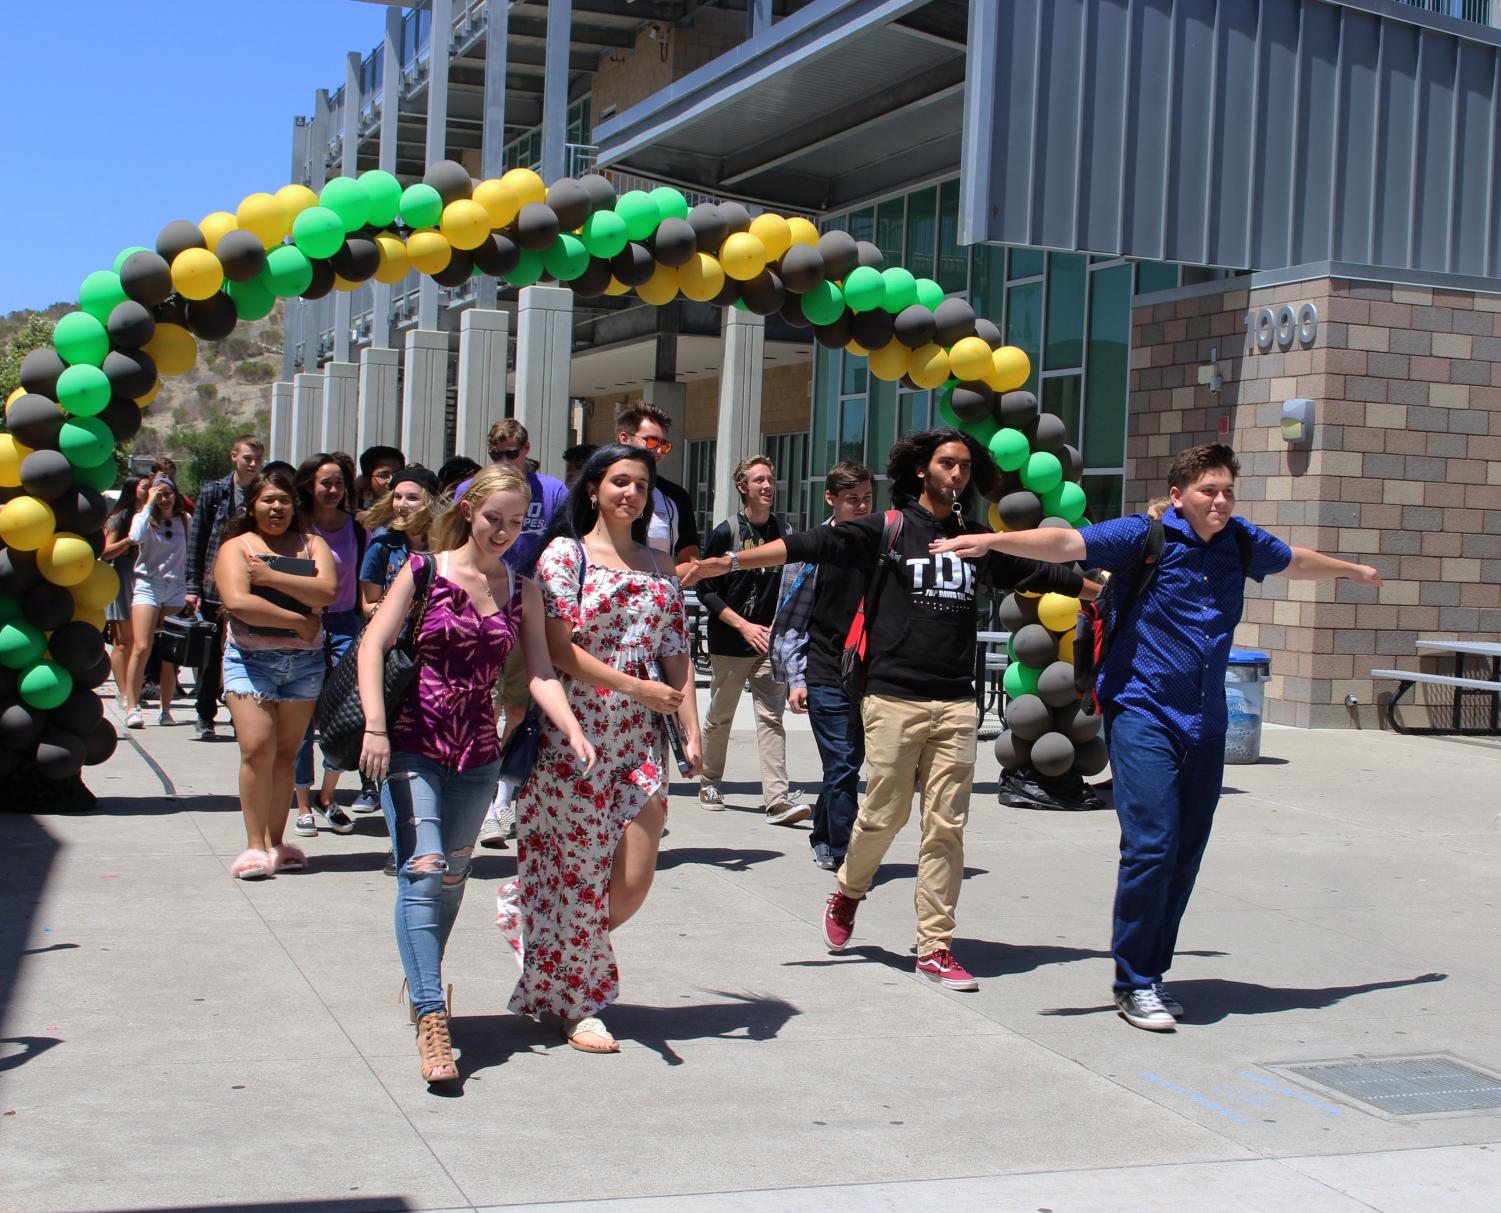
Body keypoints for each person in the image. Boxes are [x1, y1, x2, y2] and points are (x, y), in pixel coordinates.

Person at [934, 442, 1382, 1030]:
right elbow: (1069, 543)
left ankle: (1153, 969)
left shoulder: (1242, 541)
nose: (1219, 500)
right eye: (1207, 491)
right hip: (1143, 711)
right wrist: (993, 541)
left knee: (1185, 852)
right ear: (1179, 496)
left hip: (1206, 721)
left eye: (1226, 490)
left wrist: (1350, 571)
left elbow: (1292, 561)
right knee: (1152, 844)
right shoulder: (1144, 537)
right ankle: (1135, 980)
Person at [690, 428, 1090, 991]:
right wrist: (730, 561)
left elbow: (1039, 573)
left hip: (955, 703)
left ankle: (935, 945)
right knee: (882, 816)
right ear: (921, 471)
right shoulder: (890, 528)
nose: (957, 475)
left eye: (965, 468)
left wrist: (1098, 591)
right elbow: (810, 545)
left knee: (946, 828)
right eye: (946, 465)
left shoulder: (976, 539)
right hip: (892, 699)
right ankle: (850, 890)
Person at [356, 466, 595, 1087]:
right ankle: (433, 1016)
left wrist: (570, 728)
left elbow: (540, 672)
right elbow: (372, 645)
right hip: (410, 743)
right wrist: (375, 728)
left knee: (455, 873)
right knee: (424, 867)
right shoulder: (423, 571)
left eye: (516, 523)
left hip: (479, 753)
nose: (504, 532)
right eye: (495, 519)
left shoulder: (523, 589)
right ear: (469, 511)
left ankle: (423, 982)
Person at [505, 443, 702, 1055]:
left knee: (633, 881)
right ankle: (579, 1003)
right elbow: (559, 649)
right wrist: (634, 685)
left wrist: (692, 729)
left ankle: (545, 933)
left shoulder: (658, 561)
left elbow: (676, 651)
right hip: (576, 740)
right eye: (619, 482)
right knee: (584, 876)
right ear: (593, 489)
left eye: (641, 486)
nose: (630, 494)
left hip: (640, 742)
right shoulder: (565, 556)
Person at [212, 467, 338, 879]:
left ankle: (276, 842)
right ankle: (253, 847)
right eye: (268, 500)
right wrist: (297, 620)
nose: (277, 507)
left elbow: (327, 592)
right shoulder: (236, 546)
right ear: (252, 506)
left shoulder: (312, 543)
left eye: (283, 500)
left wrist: (268, 576)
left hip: (304, 664)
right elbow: (238, 602)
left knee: (287, 754)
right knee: (256, 748)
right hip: (251, 661)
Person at [769, 461, 875, 867]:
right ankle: (842, 848)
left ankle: (823, 829)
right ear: (831, 498)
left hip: (871, 674)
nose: (862, 506)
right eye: (852, 500)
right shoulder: (812, 548)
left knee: (851, 762)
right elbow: (792, 620)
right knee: (843, 761)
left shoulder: (884, 545)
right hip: (825, 671)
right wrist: (797, 678)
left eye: (867, 498)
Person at [695, 455, 803, 823]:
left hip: (769, 642)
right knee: (720, 715)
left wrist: (776, 625)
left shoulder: (785, 532)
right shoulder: (726, 531)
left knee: (771, 717)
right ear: (743, 487)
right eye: (759, 480)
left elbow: (793, 583)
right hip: (731, 640)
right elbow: (707, 589)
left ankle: (777, 798)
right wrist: (743, 625)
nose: (767, 486)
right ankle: (709, 781)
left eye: (770, 480)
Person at [476, 420, 569, 850]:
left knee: (515, 709)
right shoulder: (473, 489)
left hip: (525, 604)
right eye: (499, 455)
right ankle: (481, 793)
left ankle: (500, 799)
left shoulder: (551, 491)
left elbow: (569, 539)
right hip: (476, 607)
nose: (506, 461)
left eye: (513, 453)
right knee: (475, 708)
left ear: (527, 449)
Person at [358, 464, 441, 861]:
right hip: (394, 658)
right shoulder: (383, 545)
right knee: (394, 750)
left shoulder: (447, 546)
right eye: (398, 496)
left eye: (413, 496)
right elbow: (367, 603)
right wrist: (402, 606)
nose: (403, 504)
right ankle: (400, 842)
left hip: (436, 660)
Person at [291, 453, 366, 837]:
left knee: (344, 716)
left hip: (345, 625)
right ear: (309, 485)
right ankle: (303, 802)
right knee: (302, 718)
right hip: (304, 624)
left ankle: (327, 795)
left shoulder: (357, 527)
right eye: (326, 483)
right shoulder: (296, 526)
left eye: (339, 483)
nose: (333, 490)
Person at [184, 434, 265, 741]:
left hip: (251, 587)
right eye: (248, 458)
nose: (253, 464)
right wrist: (192, 585)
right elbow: (198, 540)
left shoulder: (263, 494)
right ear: (234, 457)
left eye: (259, 459)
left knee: (245, 652)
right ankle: (205, 713)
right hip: (214, 588)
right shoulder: (214, 492)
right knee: (211, 653)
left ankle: (239, 715)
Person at [123, 476, 191, 729]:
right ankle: (132, 706)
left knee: (170, 653)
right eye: (160, 493)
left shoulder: (185, 520)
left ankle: (166, 708)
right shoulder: (145, 520)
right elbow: (134, 536)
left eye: (169, 493)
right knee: (142, 646)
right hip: (148, 584)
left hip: (175, 586)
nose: (165, 498)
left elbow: (191, 551)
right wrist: (148, 503)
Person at [616, 403, 700, 575]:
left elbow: (691, 561)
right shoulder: (597, 488)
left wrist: (654, 587)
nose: (659, 450)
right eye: (651, 441)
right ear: (624, 439)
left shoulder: (676, 496)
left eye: (664, 445)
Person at [101, 476, 147, 708]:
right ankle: (123, 692)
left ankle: (133, 691)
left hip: (146, 580)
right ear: (133, 490)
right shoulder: (120, 517)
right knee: (123, 641)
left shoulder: (154, 516)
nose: (150, 491)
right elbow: (107, 551)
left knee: (141, 642)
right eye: (145, 487)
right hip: (122, 577)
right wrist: (130, 540)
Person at [356, 444, 405, 512]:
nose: (391, 480)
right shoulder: (358, 518)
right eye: (384, 475)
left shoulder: (412, 514)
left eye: (397, 474)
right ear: (367, 480)